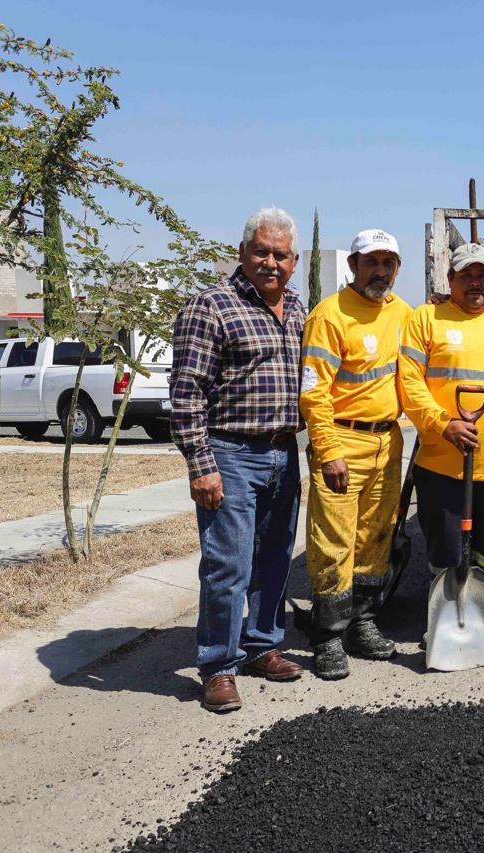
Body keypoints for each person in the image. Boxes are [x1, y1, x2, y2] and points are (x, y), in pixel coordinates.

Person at [170, 207, 306, 713]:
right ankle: (218, 667)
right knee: (227, 566)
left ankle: (262, 645)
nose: (271, 263)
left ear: (294, 261)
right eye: (261, 252)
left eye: (281, 255)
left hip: (283, 452)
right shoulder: (211, 306)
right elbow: (187, 392)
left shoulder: (298, 309)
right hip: (230, 453)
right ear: (243, 252)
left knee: (274, 558)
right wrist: (201, 464)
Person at [399, 244, 484, 649]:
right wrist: (442, 424)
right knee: (445, 548)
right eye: (465, 275)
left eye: (483, 275)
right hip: (443, 463)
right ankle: (443, 619)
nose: (475, 283)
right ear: (450, 280)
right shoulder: (426, 318)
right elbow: (409, 382)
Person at [299, 228, 412, 680]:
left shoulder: (403, 312)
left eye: (388, 263)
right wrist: (328, 451)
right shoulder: (330, 315)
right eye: (371, 262)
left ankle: (362, 622)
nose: (380, 272)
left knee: (374, 538)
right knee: (334, 541)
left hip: (388, 440)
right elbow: (314, 392)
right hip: (342, 443)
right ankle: (328, 636)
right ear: (353, 265)